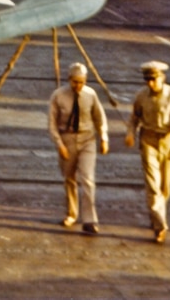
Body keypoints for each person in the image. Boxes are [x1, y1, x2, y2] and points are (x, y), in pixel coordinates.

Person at [126, 61, 170, 243]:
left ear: (162, 77)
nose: (150, 83)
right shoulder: (141, 96)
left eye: (154, 79)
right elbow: (134, 119)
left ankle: (156, 214)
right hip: (148, 141)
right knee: (153, 186)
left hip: (168, 142)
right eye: (147, 79)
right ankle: (160, 225)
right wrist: (130, 133)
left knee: (165, 188)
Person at [48, 62, 108, 234]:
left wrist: (103, 137)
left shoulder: (91, 95)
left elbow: (99, 117)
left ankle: (90, 220)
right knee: (69, 178)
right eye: (75, 82)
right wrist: (59, 144)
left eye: (81, 82)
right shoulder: (58, 96)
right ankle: (71, 213)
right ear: (69, 80)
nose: (78, 86)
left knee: (88, 178)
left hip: (87, 138)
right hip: (67, 139)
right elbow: (51, 123)